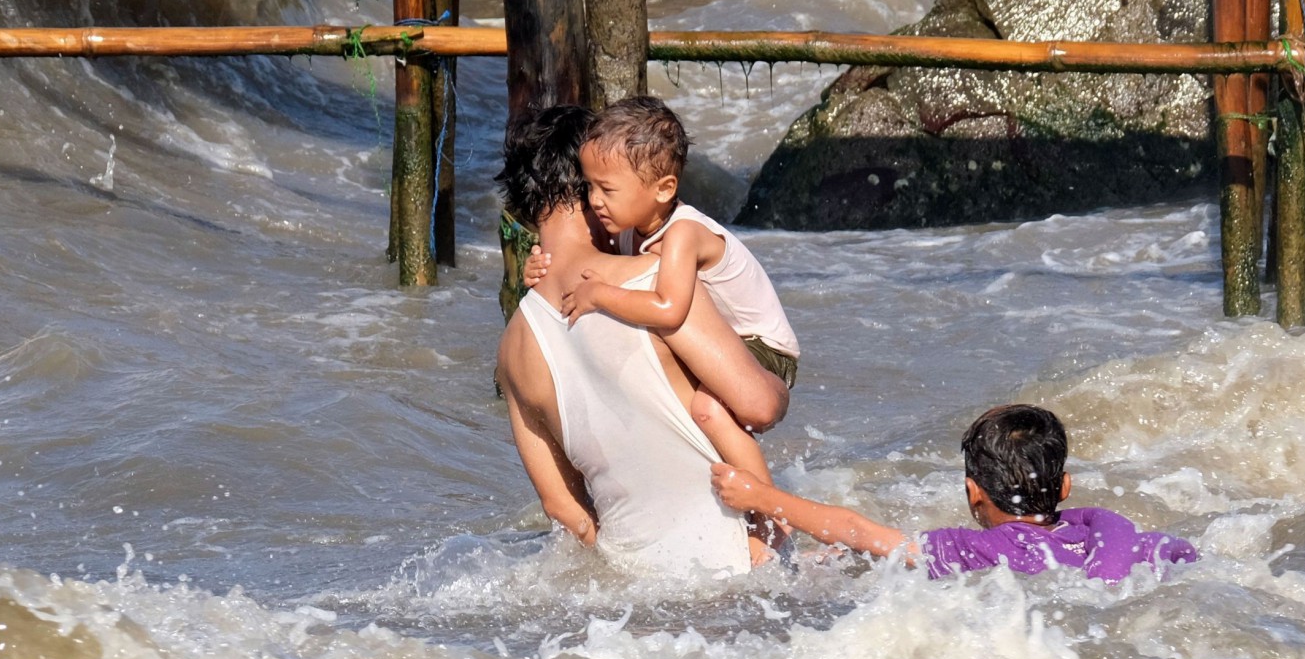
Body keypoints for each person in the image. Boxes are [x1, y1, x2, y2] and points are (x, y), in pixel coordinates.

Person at [495, 105, 790, 574]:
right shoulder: (656, 279)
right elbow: (760, 405)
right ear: (587, 182)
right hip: (737, 565)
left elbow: (563, 509)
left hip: (635, 588)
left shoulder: (512, 349)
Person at [547, 96, 800, 498]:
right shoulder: (629, 227)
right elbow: (583, 258)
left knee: (707, 409)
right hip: (716, 343)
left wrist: (600, 294)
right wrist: (537, 266)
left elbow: (669, 308)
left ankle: (770, 511)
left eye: (607, 189)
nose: (594, 201)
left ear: (664, 189)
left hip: (761, 350)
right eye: (589, 186)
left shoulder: (683, 233)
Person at [712, 404, 1199, 582]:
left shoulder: (979, 549)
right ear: (1065, 487)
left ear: (973, 493)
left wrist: (759, 496)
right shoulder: (1100, 535)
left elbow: (859, 531)